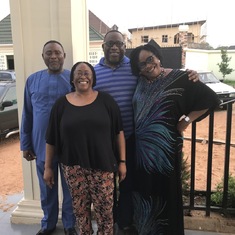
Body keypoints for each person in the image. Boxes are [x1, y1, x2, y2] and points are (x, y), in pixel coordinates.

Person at [94, 29, 201, 234]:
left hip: (134, 139)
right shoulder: (94, 72)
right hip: (105, 140)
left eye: (119, 43)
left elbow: (159, 75)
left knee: (130, 183)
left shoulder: (135, 67)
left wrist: (189, 74)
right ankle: (107, 224)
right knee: (105, 186)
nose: (114, 47)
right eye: (110, 44)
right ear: (103, 47)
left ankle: (127, 222)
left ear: (125, 47)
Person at [129, 43, 220, 235]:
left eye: (150, 59)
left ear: (158, 57)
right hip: (142, 153)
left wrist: (187, 120)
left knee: (166, 192)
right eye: (141, 64)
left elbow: (210, 99)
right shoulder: (140, 82)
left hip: (166, 152)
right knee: (145, 192)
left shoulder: (181, 77)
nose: (147, 65)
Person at [43, 61, 126, 235]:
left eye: (87, 72)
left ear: (93, 78)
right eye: (78, 73)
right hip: (73, 168)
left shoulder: (106, 101)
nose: (83, 76)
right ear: (72, 79)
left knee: (105, 214)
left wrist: (122, 162)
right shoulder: (61, 105)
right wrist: (48, 167)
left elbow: (119, 133)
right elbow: (51, 139)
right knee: (81, 213)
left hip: (103, 167)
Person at [20, 40, 77, 235]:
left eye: (57, 53)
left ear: (64, 56)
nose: (53, 56)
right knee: (47, 187)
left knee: (71, 188)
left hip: (70, 145)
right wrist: (25, 144)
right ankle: (48, 224)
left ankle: (70, 225)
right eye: (49, 53)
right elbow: (27, 113)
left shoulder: (73, 80)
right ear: (42, 56)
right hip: (40, 145)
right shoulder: (32, 80)